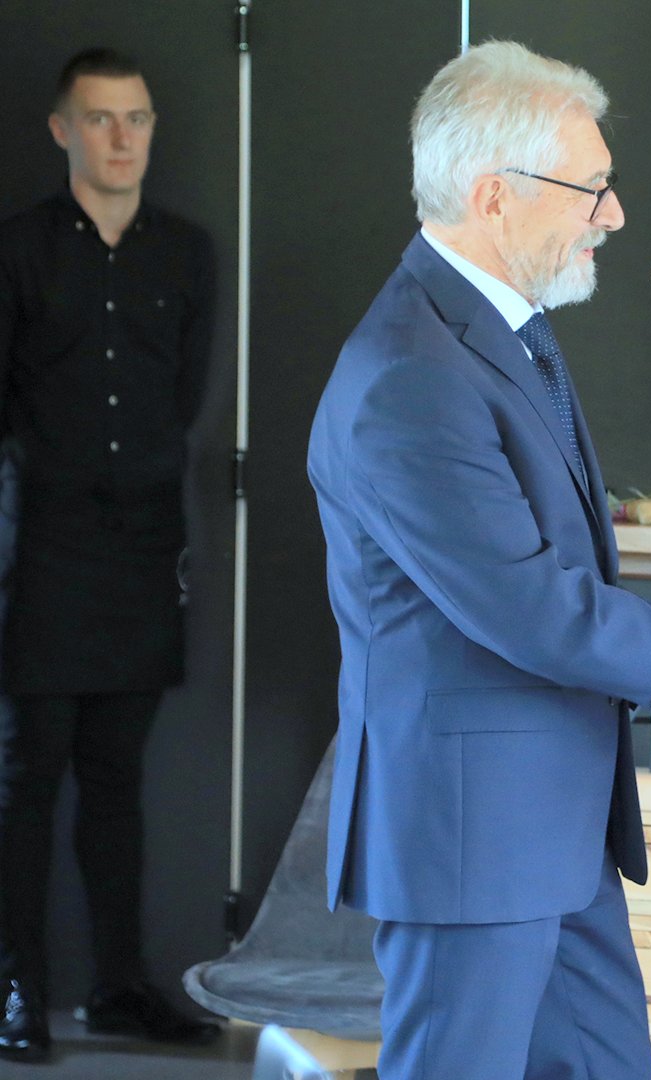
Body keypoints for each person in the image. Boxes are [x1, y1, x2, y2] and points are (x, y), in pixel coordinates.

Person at [306, 41, 651, 1080]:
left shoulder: (498, 337)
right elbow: (533, 608)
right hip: (473, 843)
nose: (616, 214)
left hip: (552, 830)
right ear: (493, 197)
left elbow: (549, 592)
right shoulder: (410, 374)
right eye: (591, 187)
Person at [0, 47, 221, 1062]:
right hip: (40, 547)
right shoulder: (18, 251)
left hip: (142, 547)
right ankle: (17, 993)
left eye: (136, 117)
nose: (122, 137)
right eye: (100, 118)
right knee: (25, 781)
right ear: (63, 131)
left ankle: (119, 988)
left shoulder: (187, 253)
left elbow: (184, 395)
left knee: (117, 779)